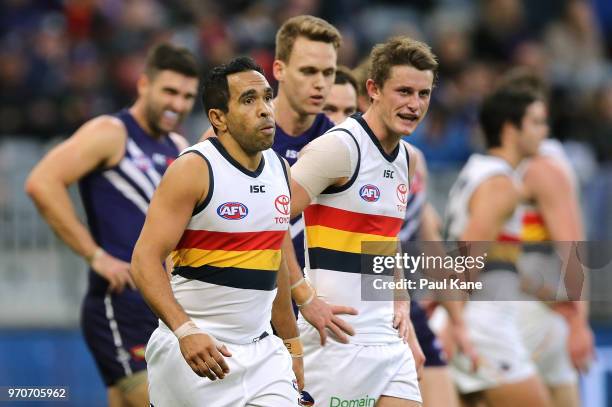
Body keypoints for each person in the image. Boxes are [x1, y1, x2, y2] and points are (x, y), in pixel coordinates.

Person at [24, 43, 200, 407]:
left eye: (187, 96)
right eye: (169, 91)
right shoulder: (111, 131)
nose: (178, 104)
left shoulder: (178, 145)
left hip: (163, 307)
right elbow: (42, 181)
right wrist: (95, 255)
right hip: (119, 304)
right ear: (143, 85)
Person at [131, 56, 303, 407]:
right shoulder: (193, 169)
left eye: (267, 97)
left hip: (262, 354)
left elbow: (277, 264)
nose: (266, 110)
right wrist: (185, 330)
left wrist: (291, 346)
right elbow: (144, 260)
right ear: (218, 118)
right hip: (197, 354)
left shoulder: (279, 169)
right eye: (248, 100)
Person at [285, 35, 441, 407]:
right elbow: (267, 221)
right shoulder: (339, 148)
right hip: (335, 340)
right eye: (404, 91)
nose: (414, 105)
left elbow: (386, 242)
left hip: (387, 338)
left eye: (424, 94)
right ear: (372, 89)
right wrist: (305, 299)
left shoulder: (408, 159)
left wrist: (401, 304)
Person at [443, 86, 552, 406]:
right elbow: (468, 254)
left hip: (475, 316)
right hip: (482, 323)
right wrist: (455, 323)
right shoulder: (500, 185)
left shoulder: (478, 170)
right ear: (509, 129)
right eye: (535, 123)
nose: (543, 132)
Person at [501, 70, 594, 407]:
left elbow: (573, 245)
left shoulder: (543, 168)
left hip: (533, 312)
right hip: (542, 307)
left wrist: (580, 322)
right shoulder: (519, 165)